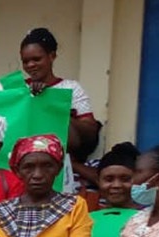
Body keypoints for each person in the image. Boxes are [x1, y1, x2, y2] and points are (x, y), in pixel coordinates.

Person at [19, 27, 102, 190]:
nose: (30, 65)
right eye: (25, 61)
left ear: (52, 56)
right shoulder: (17, 91)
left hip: (62, 170)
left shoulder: (70, 88)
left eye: (36, 59)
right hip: (23, 170)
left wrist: (52, 106)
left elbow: (90, 131)